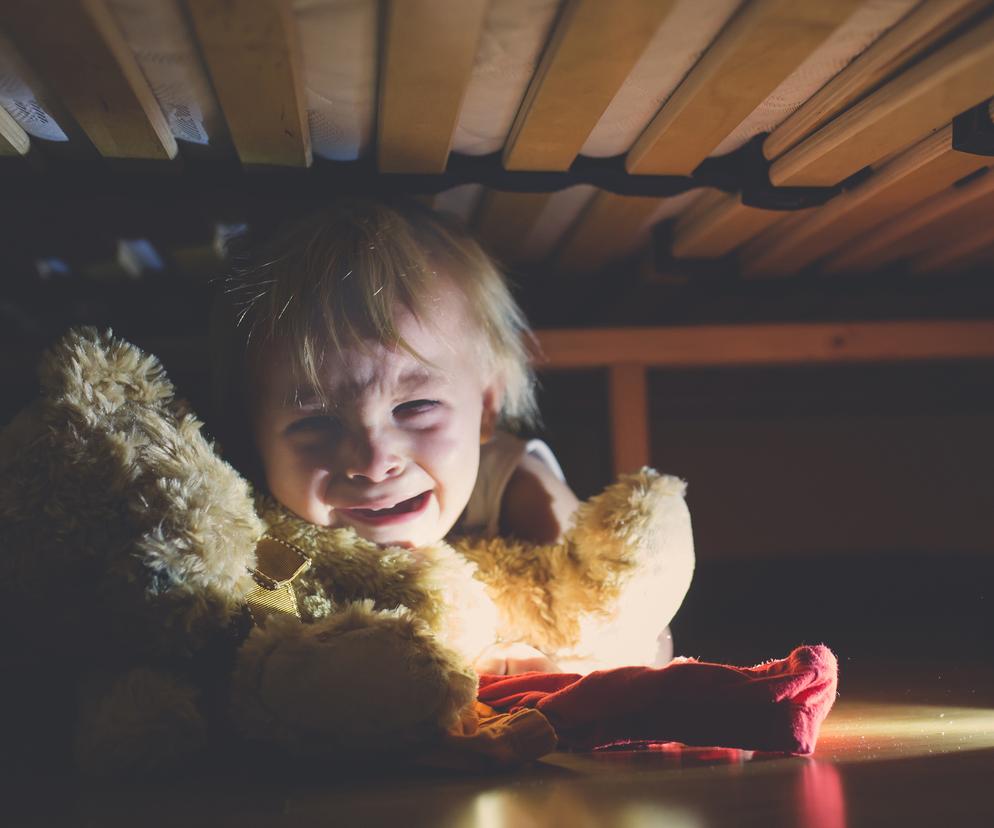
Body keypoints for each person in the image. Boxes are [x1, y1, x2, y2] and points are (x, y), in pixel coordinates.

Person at [210, 198, 681, 674]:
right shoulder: (246, 518)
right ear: (254, 431)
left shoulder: (516, 486)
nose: (374, 461)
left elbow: (620, 623)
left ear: (486, 408)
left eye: (415, 407)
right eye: (317, 423)